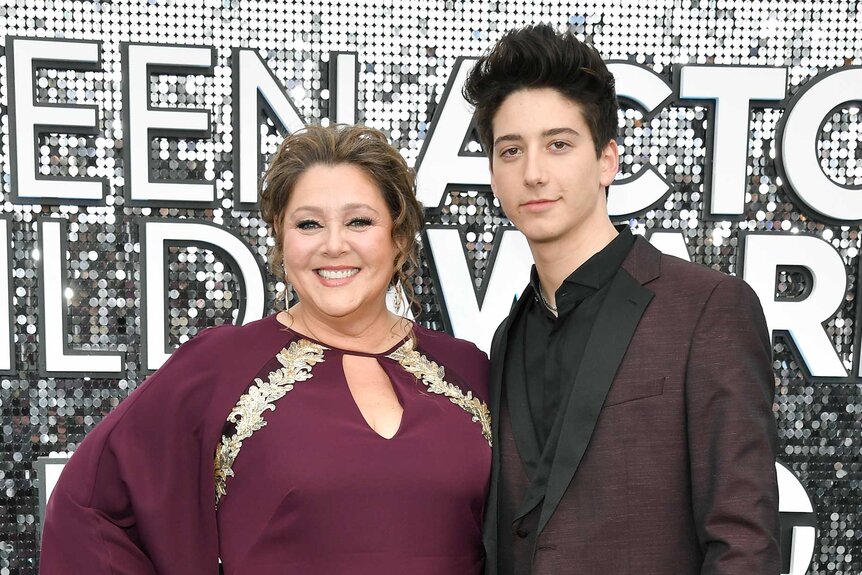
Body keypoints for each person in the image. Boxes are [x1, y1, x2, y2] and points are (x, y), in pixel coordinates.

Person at [39, 124, 492, 575]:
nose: (334, 245)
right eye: (309, 224)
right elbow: (87, 510)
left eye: (359, 221)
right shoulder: (218, 366)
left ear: (398, 237)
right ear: (281, 237)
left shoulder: (469, 369)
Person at [462, 24, 780, 575]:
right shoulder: (507, 335)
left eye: (558, 144)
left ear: (607, 160)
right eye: (511, 150)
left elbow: (743, 542)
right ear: (493, 173)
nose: (533, 172)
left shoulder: (707, 308)